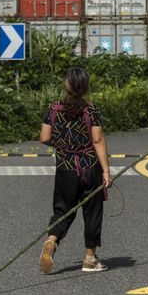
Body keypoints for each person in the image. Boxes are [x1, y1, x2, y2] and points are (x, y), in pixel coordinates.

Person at [38, 67, 112, 274]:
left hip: (65, 168)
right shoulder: (92, 110)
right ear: (85, 86)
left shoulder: (53, 109)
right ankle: (90, 258)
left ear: (67, 85)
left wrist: (63, 145)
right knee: (92, 212)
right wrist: (106, 171)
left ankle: (52, 240)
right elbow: (97, 139)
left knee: (62, 210)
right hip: (89, 168)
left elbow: (44, 137)